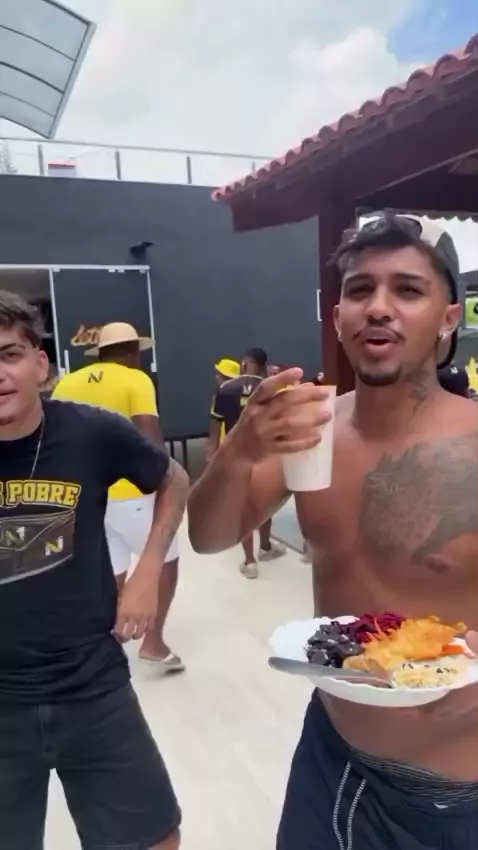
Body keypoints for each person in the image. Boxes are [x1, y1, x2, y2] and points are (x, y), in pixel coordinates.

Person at [188, 213, 478, 849]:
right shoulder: (309, 432)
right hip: (330, 753)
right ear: (338, 314)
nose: (378, 307)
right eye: (359, 289)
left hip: (453, 793)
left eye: (407, 289)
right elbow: (208, 538)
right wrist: (238, 452)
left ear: (448, 318)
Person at [0, 292, 188, 849]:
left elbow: (174, 479)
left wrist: (148, 571)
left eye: (9, 354)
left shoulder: (91, 431)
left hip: (92, 685)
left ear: (41, 365)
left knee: (154, 840)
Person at [53, 322, 184, 673]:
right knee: (165, 561)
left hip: (86, 496)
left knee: (112, 568)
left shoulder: (67, 382)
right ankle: (153, 645)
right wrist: (164, 487)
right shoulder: (135, 379)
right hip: (131, 493)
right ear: (130, 351)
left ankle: (109, 640)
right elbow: (149, 437)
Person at [210, 347, 286, 579]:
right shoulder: (272, 389)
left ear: (244, 364)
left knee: (243, 507)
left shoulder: (225, 390)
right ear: (264, 366)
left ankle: (250, 560)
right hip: (266, 455)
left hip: (237, 456)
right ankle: (265, 547)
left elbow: (214, 428)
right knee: (265, 503)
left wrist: (213, 457)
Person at [206, 357, 240, 460]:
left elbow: (215, 427)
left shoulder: (221, 396)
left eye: (219, 374)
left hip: (227, 449)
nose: (216, 377)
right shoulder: (245, 394)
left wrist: (211, 453)